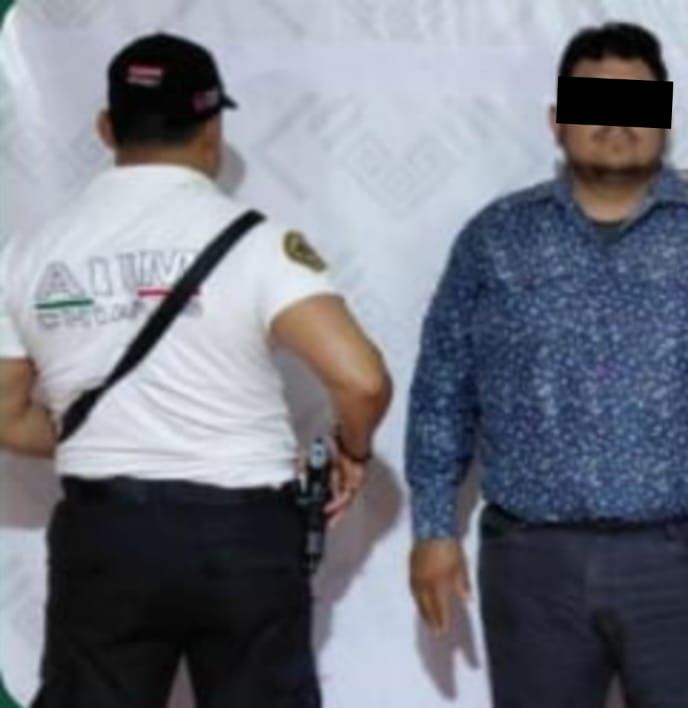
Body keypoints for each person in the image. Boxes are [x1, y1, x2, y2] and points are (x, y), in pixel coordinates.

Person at [404, 21, 688, 708]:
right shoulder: (496, 239)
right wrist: (434, 528)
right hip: (534, 566)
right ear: (557, 119)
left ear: (665, 117)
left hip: (686, 562)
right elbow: (442, 388)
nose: (616, 122)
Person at [0, 33, 393, 706]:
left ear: (106, 128)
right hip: (243, 536)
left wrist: (106, 435)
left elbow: (6, 416)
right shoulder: (258, 243)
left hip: (104, 535)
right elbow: (362, 380)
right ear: (212, 129)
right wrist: (352, 451)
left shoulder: (28, 255)